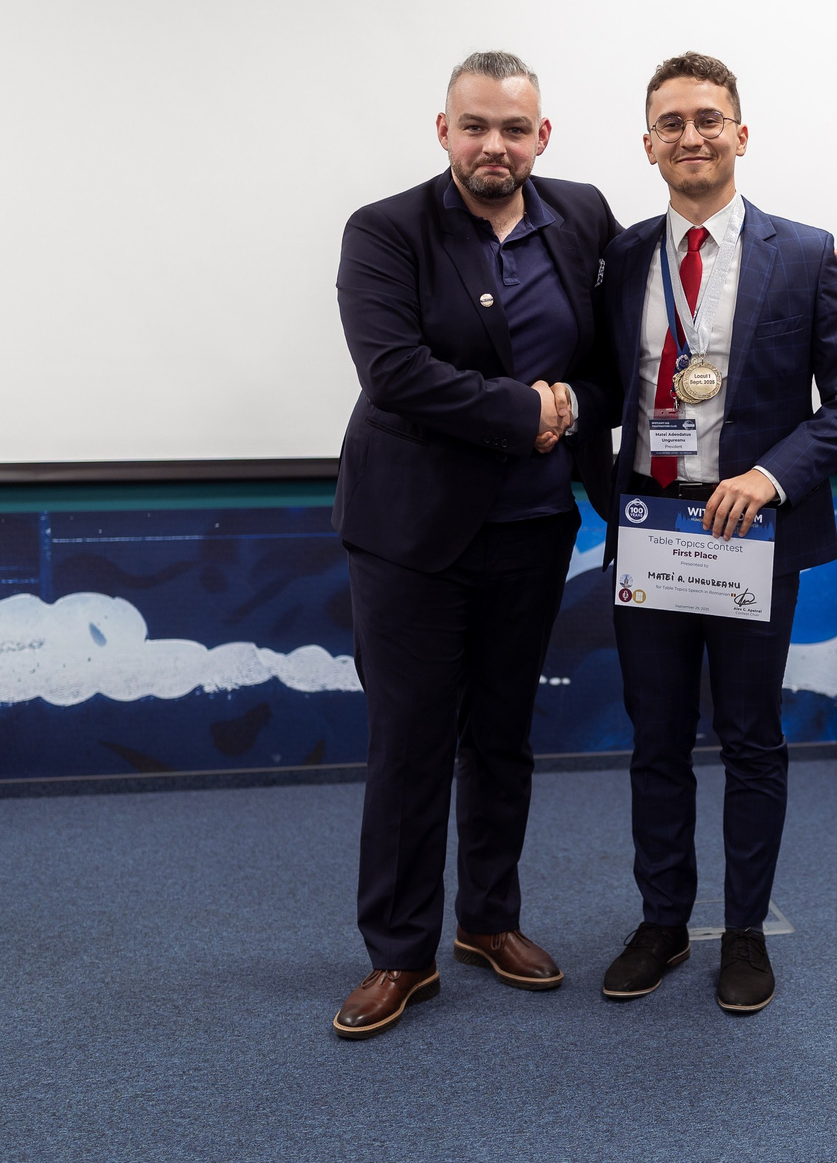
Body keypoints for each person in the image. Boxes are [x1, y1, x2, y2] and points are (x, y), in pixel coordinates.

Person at [571, 52, 837, 1014]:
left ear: (740, 135)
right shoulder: (622, 258)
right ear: (648, 145)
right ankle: (663, 922)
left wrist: (770, 475)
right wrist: (603, 491)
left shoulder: (805, 254)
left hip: (752, 534)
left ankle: (743, 931)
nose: (691, 136)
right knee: (657, 740)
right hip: (653, 531)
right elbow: (595, 385)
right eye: (671, 122)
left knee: (750, 740)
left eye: (708, 119)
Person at [329, 51, 612, 1040]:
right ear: (443, 130)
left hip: (532, 526)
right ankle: (399, 953)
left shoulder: (582, 216)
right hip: (410, 531)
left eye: (515, 129)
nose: (496, 145)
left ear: (543, 136)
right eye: (477, 126)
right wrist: (528, 410)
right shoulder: (385, 230)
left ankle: (489, 920)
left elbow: (623, 348)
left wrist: (572, 402)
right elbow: (395, 371)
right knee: (411, 743)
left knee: (502, 734)